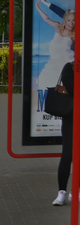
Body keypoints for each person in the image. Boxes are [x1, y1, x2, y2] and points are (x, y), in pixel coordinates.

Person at [55, 61, 75, 207]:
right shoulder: (70, 67)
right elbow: (73, 89)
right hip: (72, 118)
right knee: (68, 154)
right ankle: (62, 192)